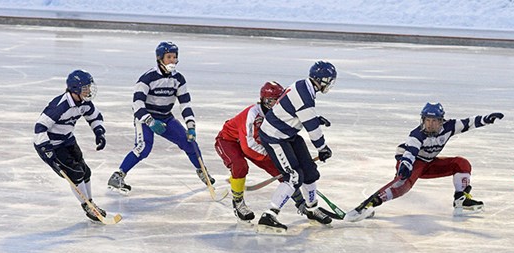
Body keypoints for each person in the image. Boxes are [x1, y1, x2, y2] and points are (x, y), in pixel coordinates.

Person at [345, 102, 505, 221]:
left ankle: (461, 198)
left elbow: (469, 123)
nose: (430, 124)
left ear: (441, 121)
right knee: (402, 187)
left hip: (429, 163)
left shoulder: (449, 127)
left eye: (434, 121)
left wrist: (487, 119)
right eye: (427, 120)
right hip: (413, 162)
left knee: (461, 163)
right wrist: (405, 166)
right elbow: (410, 152)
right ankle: (369, 204)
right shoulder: (417, 135)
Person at [108, 41, 214, 194]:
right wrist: (150, 121)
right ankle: (118, 176)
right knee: (143, 147)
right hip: (145, 118)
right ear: (160, 58)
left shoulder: (179, 79)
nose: (172, 60)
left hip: (166, 118)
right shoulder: (147, 78)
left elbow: (185, 104)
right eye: (169, 57)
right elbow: (137, 105)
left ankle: (202, 171)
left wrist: (191, 126)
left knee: (189, 142)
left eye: (175, 57)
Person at [215, 81, 315, 222]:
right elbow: (248, 146)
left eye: (278, 100)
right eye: (271, 101)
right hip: (230, 141)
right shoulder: (253, 114)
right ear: (263, 100)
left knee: (284, 172)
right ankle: (238, 201)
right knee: (240, 165)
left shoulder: (280, 114)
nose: (275, 105)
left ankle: (301, 203)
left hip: (256, 144)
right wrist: (273, 155)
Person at [256, 61, 337, 233]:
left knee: (309, 171)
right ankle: (269, 215)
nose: (330, 84)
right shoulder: (305, 97)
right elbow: (312, 129)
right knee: (293, 176)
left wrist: (315, 118)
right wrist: (322, 148)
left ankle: (312, 208)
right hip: (275, 137)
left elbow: (296, 112)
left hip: (288, 134)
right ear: (321, 80)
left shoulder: (303, 85)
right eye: (329, 80)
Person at [33, 69, 108, 222]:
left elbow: (94, 116)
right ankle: (87, 206)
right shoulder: (60, 106)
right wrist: (46, 148)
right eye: (85, 88)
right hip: (51, 145)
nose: (88, 91)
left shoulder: (84, 102)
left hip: (68, 140)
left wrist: (99, 132)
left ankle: (90, 202)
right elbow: (40, 127)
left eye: (89, 87)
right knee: (75, 174)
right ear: (75, 89)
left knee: (85, 172)